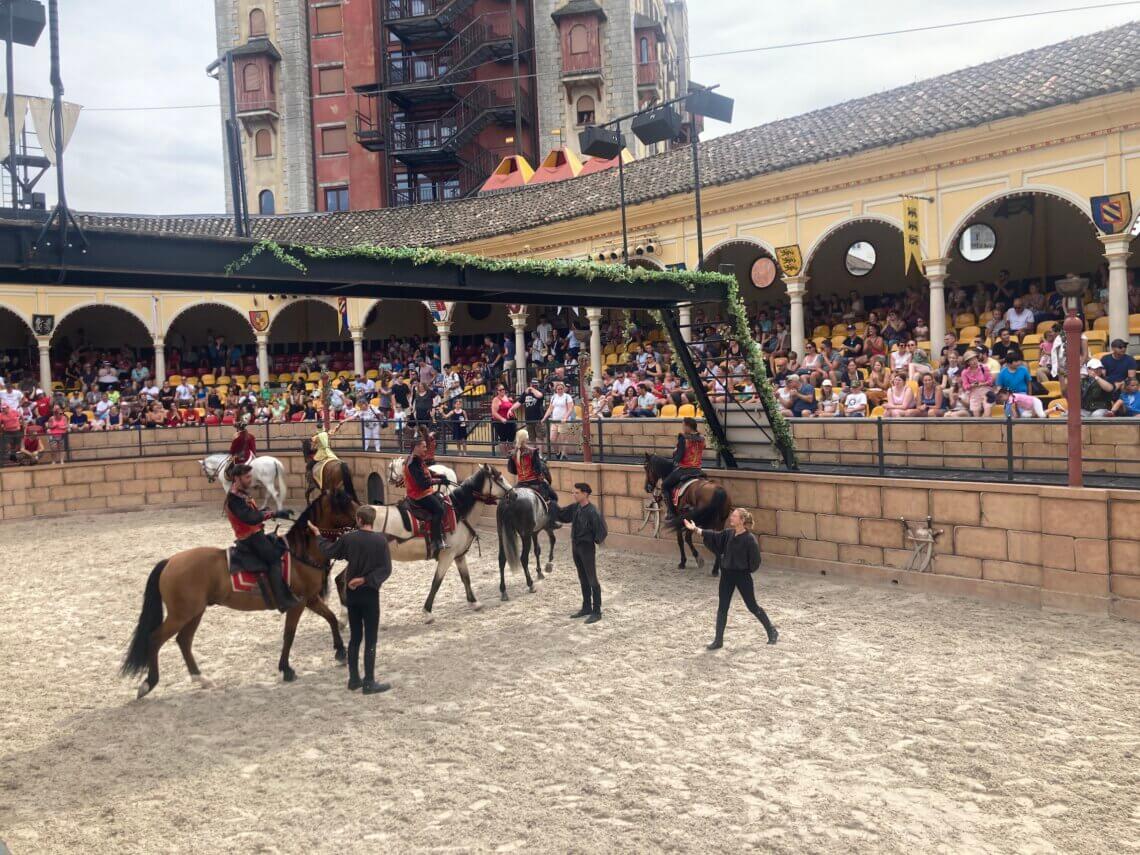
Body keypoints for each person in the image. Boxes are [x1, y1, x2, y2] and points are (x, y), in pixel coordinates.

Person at [311, 506, 392, 695]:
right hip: (370, 595)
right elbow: (386, 570)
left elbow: (329, 551)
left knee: (355, 638)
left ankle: (354, 679)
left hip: (352, 595)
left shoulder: (349, 539)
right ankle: (369, 681)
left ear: (359, 520)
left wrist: (317, 534)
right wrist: (366, 580)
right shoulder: (381, 541)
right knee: (370, 639)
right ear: (372, 520)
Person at [684, 510, 778, 649]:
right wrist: (696, 529)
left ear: (741, 520)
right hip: (726, 575)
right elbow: (713, 535)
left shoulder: (749, 539)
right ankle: (718, 641)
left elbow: (755, 562)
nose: (731, 517)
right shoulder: (728, 533)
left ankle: (772, 631)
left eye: (734, 516)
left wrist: (744, 570)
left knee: (752, 606)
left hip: (742, 577)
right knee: (723, 607)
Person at [225, 464, 298, 612]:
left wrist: (277, 511)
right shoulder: (233, 498)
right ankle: (282, 600)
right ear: (236, 478)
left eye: (250, 476)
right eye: (247, 477)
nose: (250, 480)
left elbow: (255, 512)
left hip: (256, 534)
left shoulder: (241, 494)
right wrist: (274, 514)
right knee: (273, 558)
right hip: (250, 538)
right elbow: (250, 518)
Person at [556, 482, 608, 624]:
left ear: (585, 493)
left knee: (592, 578)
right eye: (573, 493)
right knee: (582, 577)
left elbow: (602, 531)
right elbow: (562, 514)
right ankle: (586, 607)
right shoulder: (576, 507)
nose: (574, 495)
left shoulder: (593, 511)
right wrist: (551, 505)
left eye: (577, 493)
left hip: (586, 548)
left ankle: (597, 611)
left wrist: (593, 540)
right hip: (575, 546)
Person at [403, 437, 448, 558]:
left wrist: (440, 475)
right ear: (416, 447)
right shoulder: (413, 463)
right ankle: (436, 541)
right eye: (423, 446)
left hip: (424, 492)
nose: (426, 449)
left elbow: (426, 472)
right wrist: (439, 481)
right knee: (439, 509)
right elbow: (422, 484)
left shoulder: (417, 460)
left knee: (441, 499)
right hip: (419, 495)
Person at [661, 417, 706, 526]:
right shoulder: (702, 438)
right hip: (698, 470)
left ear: (687, 426)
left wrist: (675, 453)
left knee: (665, 485)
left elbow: (679, 457)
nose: (682, 428)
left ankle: (671, 513)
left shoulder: (683, 438)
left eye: (683, 425)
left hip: (685, 470)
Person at [507, 429, 560, 521]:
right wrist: (540, 476)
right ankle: (552, 521)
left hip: (520, 483)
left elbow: (512, 470)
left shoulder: (512, 453)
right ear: (526, 439)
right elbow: (538, 469)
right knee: (554, 496)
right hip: (534, 481)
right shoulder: (533, 451)